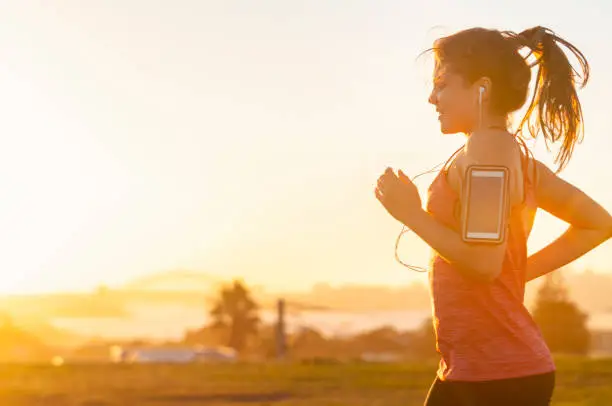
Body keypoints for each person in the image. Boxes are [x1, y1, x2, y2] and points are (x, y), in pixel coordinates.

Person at [374, 26, 612, 406]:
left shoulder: (486, 151)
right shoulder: (514, 158)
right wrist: (517, 271)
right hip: (485, 370)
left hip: (496, 377)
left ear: (482, 88)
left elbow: (483, 263)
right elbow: (597, 224)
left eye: (442, 84)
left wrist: (411, 214)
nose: (431, 98)